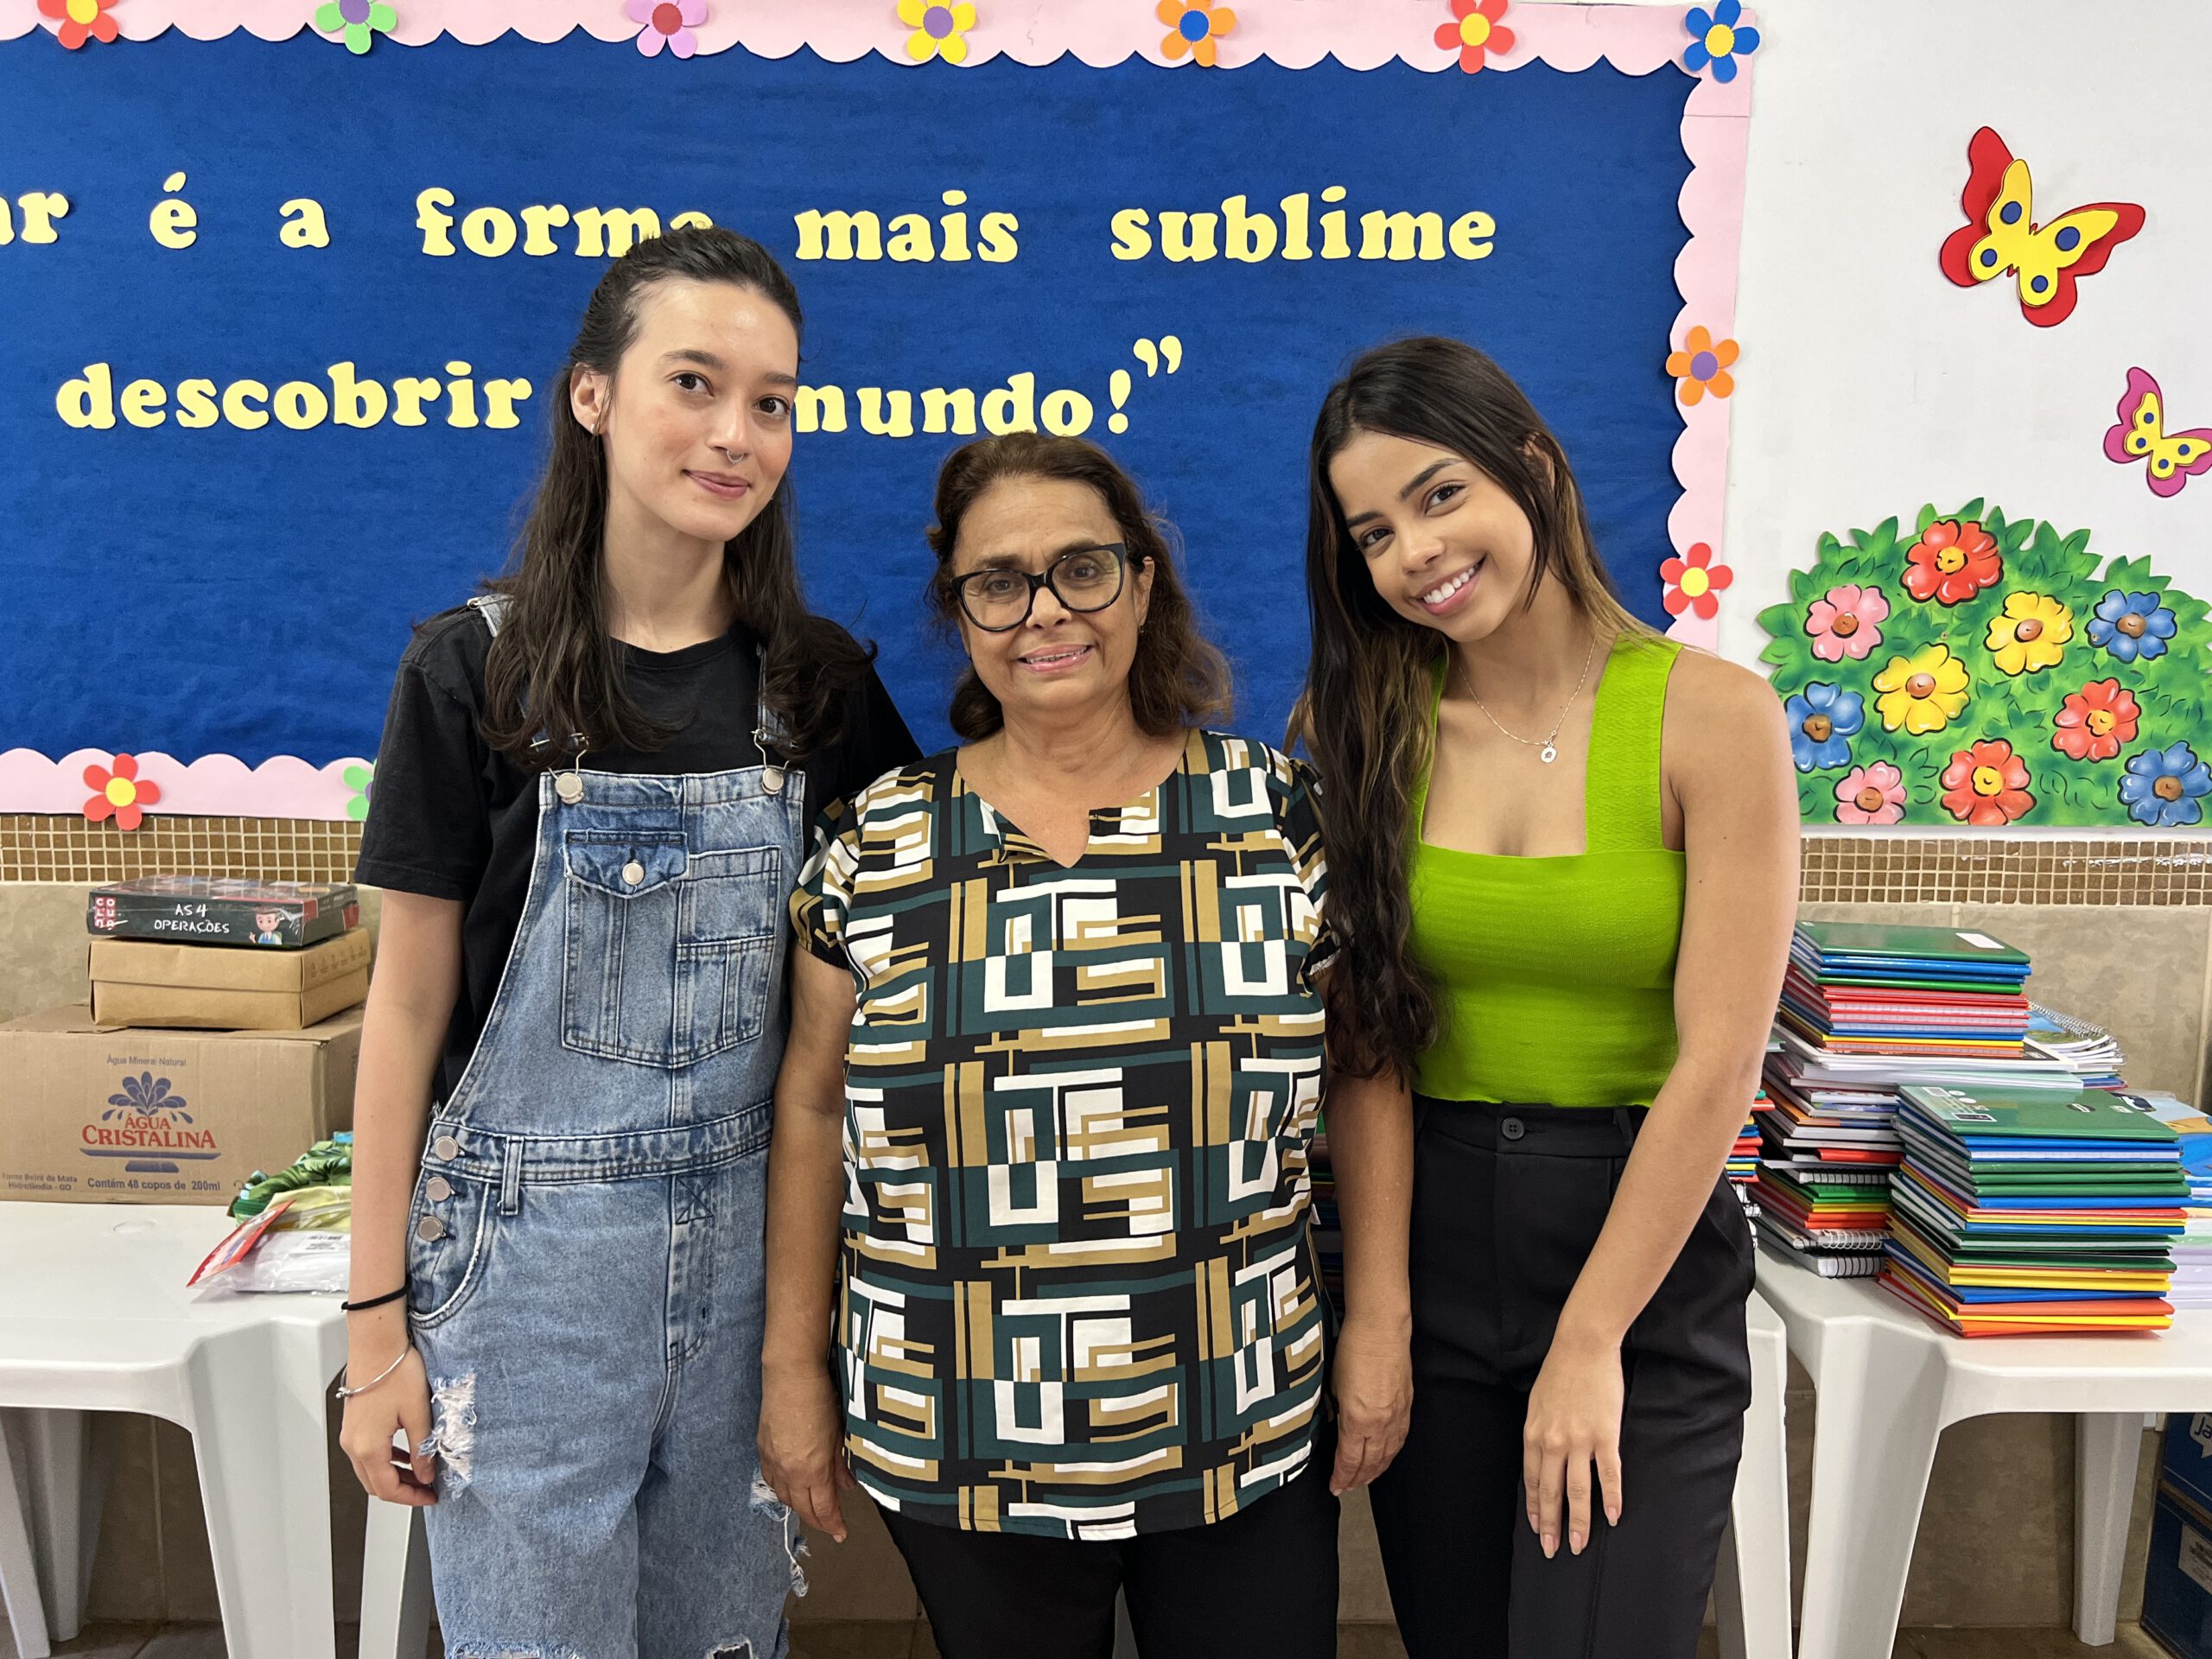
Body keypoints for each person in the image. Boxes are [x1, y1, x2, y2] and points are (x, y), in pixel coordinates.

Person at [339, 226, 917, 1658]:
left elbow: (908, 955)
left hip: (754, 1273)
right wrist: (373, 1334)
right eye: (695, 384)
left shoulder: (818, 685)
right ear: (592, 395)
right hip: (521, 1284)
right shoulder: (469, 673)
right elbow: (401, 1015)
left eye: (773, 401)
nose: (737, 435)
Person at [757, 433, 1403, 1659]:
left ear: (1144, 581)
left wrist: (1382, 1326)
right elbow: (809, 1105)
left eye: (1083, 569)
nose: (1044, 612)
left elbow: (1369, 1073)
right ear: (959, 611)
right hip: (958, 1427)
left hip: (1238, 1411)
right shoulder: (876, 842)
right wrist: (794, 1370)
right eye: (998, 582)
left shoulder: (1275, 816)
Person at [1294, 337, 1798, 1658]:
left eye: (1440, 494)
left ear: (1535, 466)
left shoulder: (1715, 718)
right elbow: (1370, 1050)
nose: (1414, 549)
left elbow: (1718, 1064)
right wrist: (1380, 1319)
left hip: (1639, 1248)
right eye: (1373, 530)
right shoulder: (1352, 727)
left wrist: (1592, 1341)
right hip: (1430, 1234)